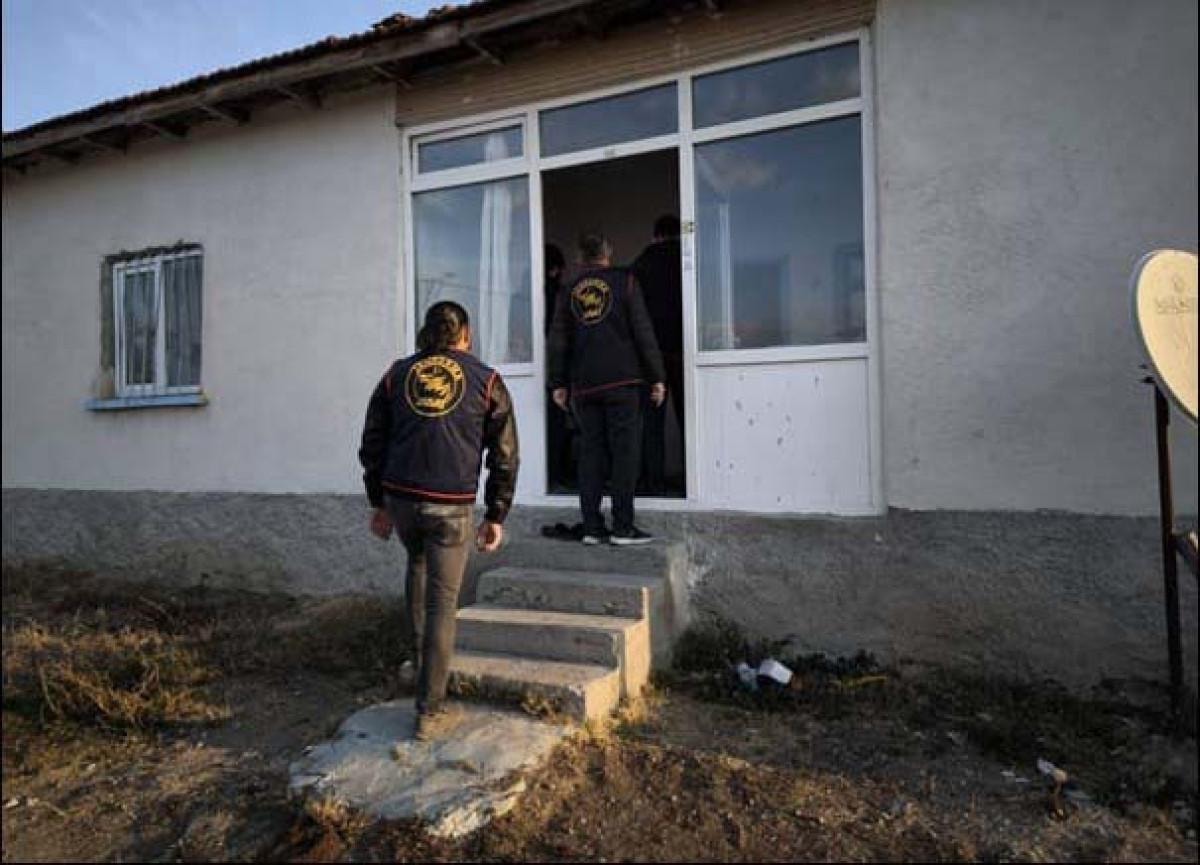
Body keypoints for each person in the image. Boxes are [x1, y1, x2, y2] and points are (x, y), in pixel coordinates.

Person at [358, 301, 519, 741]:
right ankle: (429, 709)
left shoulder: (396, 375)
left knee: (417, 568)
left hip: (403, 500)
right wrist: (496, 513)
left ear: (426, 333)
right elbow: (505, 454)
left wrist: (379, 502)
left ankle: (421, 668)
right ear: (465, 335)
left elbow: (372, 442)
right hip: (450, 505)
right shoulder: (487, 380)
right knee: (442, 603)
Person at [548, 232, 665, 545]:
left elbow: (558, 339)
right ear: (607, 253)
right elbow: (643, 331)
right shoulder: (625, 282)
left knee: (591, 454)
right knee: (625, 454)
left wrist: (558, 383)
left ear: (579, 257)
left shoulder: (568, 288)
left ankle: (591, 527)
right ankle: (623, 528)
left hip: (585, 385)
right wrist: (657, 376)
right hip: (623, 382)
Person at [632, 214, 684, 496]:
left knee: (652, 422)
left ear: (656, 236)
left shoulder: (641, 265)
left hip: (651, 355)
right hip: (684, 351)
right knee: (689, 416)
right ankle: (692, 478)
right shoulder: (689, 259)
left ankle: (654, 481)